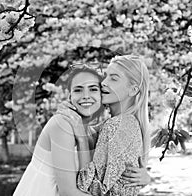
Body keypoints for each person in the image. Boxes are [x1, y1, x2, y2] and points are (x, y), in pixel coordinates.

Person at [13, 65, 149, 196]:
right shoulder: (63, 125)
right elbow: (69, 192)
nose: (85, 96)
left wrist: (144, 176)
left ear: (102, 93)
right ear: (69, 96)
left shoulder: (95, 130)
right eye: (78, 90)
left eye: (93, 89)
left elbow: (112, 167)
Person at [59, 55, 151, 195]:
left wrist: (82, 140)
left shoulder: (118, 125)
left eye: (113, 78)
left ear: (133, 90)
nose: (103, 82)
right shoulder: (123, 123)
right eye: (105, 76)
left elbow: (88, 186)